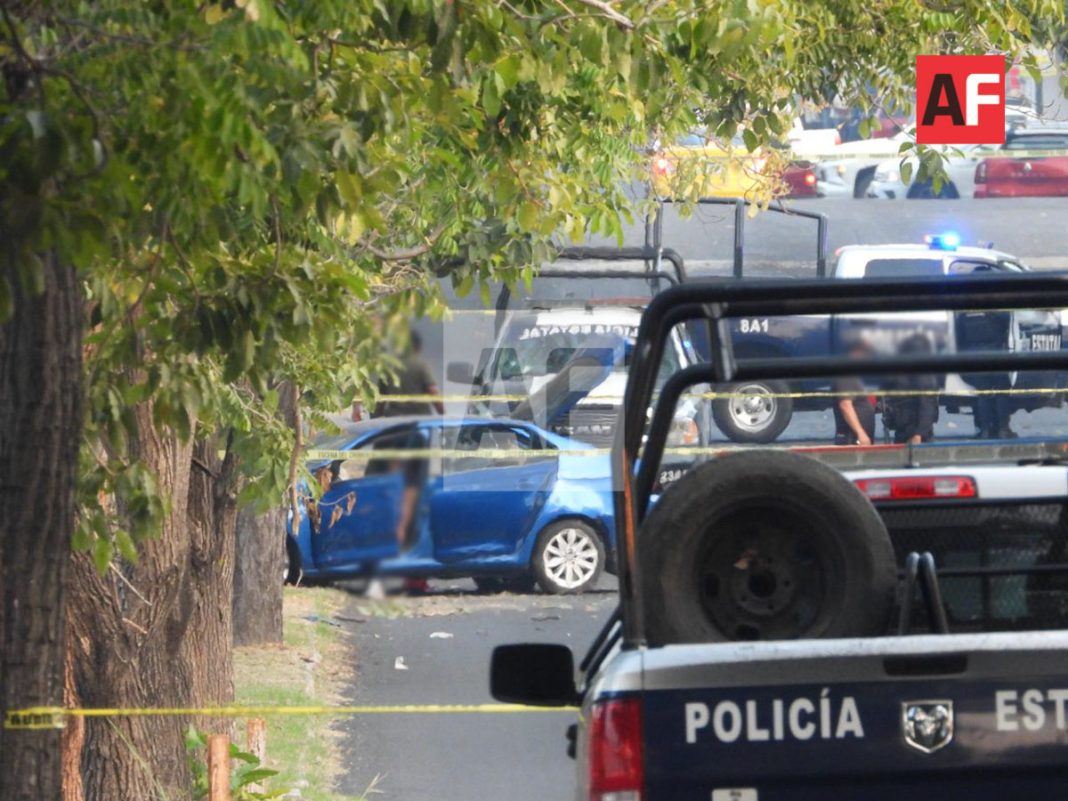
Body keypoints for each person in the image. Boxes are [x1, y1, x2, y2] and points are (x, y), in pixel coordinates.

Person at [955, 309, 1015, 439]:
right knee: (1002, 392)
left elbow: (959, 337)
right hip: (996, 354)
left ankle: (985, 430)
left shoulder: (965, 313)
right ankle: (1003, 429)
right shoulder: (996, 311)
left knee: (983, 394)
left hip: (976, 356)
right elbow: (1009, 323)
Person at [883, 334, 940, 444]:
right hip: (903, 428)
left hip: (916, 430)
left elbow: (927, 406)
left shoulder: (923, 375)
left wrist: (919, 434)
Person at [833, 342, 877, 446]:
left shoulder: (854, 376)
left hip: (857, 437)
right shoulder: (846, 374)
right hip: (851, 438)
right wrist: (860, 433)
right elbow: (845, 405)